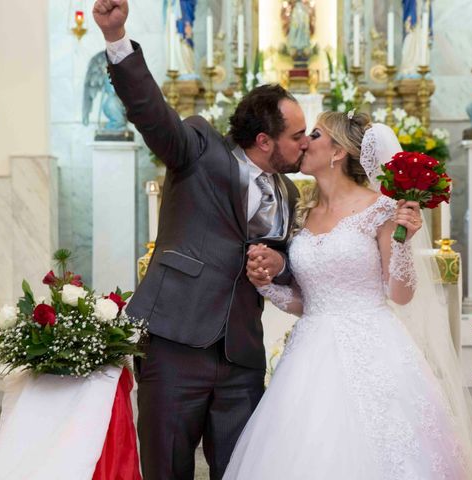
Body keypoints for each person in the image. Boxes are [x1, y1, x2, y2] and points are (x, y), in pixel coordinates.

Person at [92, 1, 308, 479]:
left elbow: (291, 262)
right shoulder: (198, 150)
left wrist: (278, 265)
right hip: (175, 345)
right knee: (166, 468)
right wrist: (117, 37)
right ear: (265, 140)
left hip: (241, 356)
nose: (306, 144)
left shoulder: (290, 191)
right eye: (297, 136)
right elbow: (152, 114)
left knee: (242, 470)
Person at [227, 112, 472, 479]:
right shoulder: (301, 211)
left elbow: (401, 294)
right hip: (309, 353)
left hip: (374, 347)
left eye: (314, 134)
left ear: (338, 152)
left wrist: (404, 243)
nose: (303, 142)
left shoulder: (380, 208)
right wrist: (265, 284)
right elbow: (305, 303)